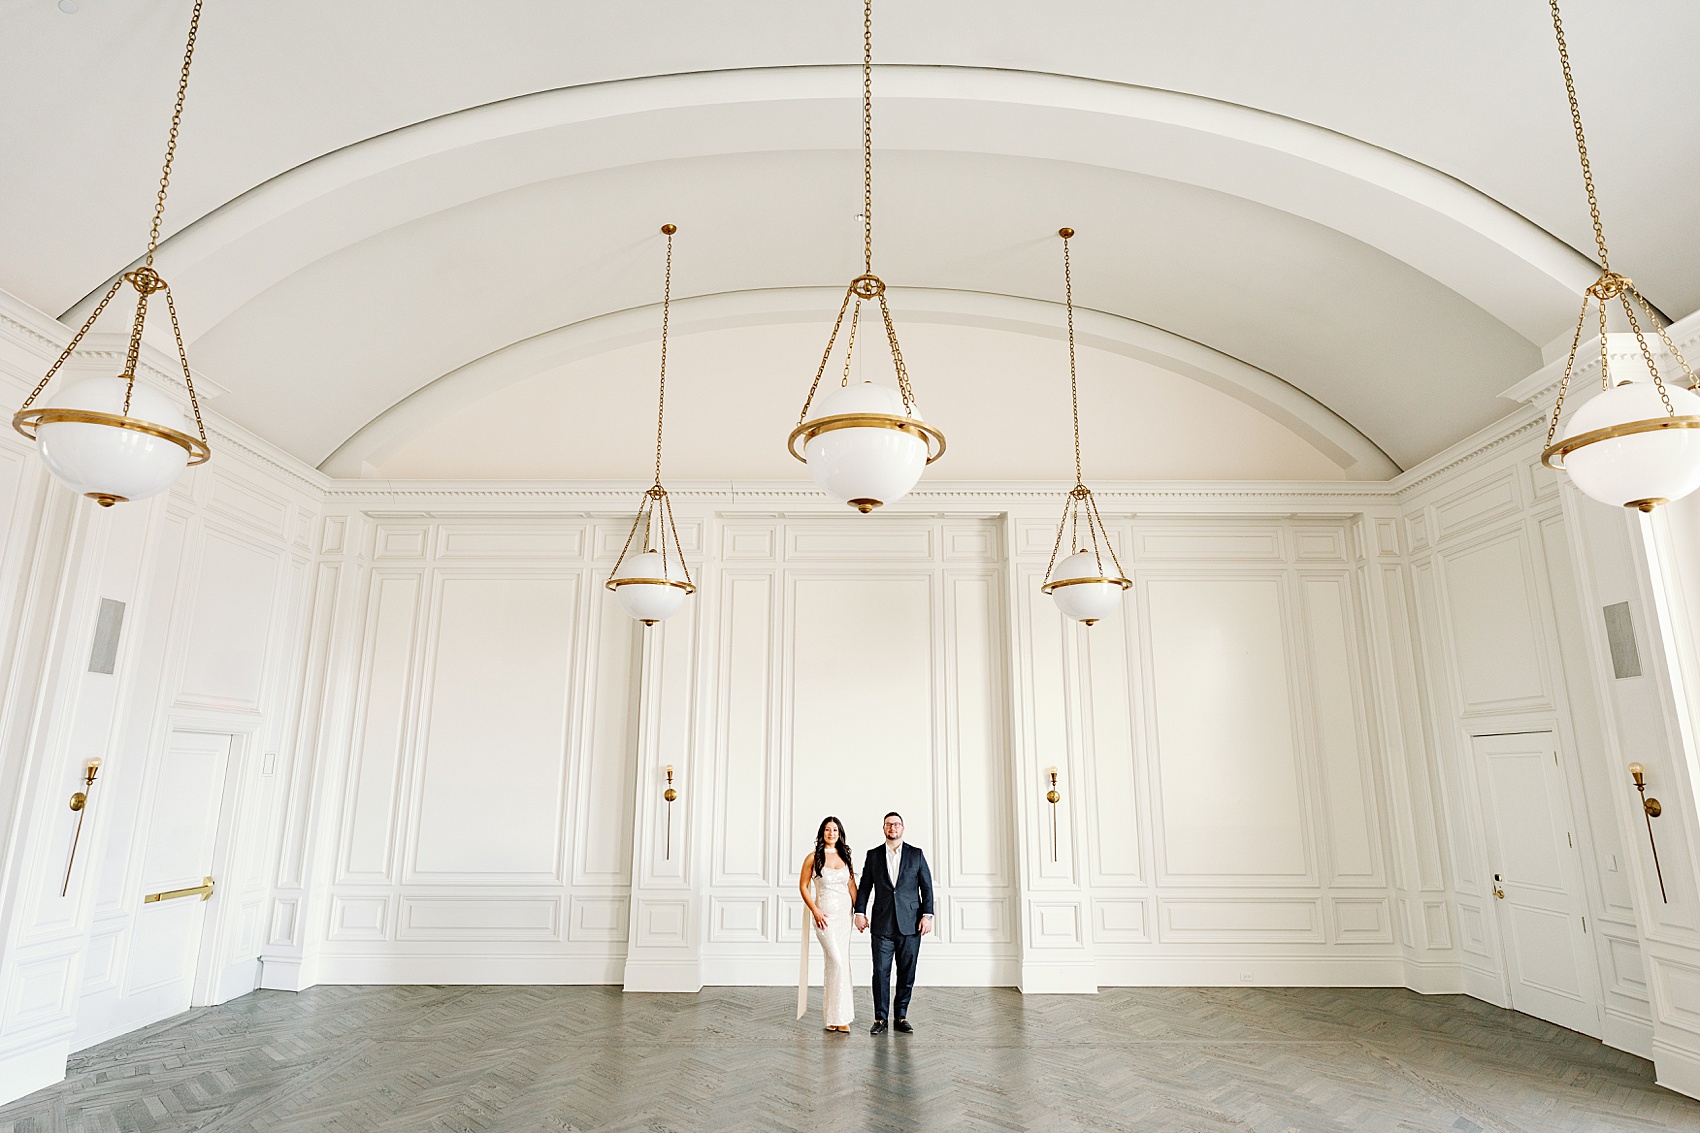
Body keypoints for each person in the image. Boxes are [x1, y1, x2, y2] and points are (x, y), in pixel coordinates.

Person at [853, 811, 933, 1034]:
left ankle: (901, 1016)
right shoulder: (874, 855)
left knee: (907, 972)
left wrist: (927, 915)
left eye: (897, 824)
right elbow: (865, 886)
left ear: (903, 828)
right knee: (880, 972)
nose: (893, 828)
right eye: (889, 825)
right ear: (884, 828)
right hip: (882, 924)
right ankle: (880, 1018)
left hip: (911, 924)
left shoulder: (916, 854)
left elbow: (926, 887)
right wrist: (859, 912)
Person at [797, 816, 858, 1032]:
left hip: (844, 916)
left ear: (840, 833)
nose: (831, 833)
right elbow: (803, 886)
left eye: (835, 830)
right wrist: (815, 910)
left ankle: (837, 1018)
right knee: (837, 961)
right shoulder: (813, 858)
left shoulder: (845, 856)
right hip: (824, 917)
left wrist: (859, 913)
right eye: (827, 829)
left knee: (838, 964)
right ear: (822, 833)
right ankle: (838, 1016)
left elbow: (852, 887)